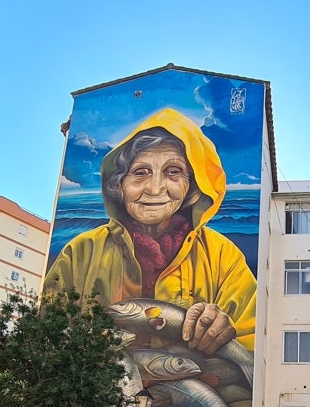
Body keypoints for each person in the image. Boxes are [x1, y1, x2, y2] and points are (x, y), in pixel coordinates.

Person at [43, 107, 257, 354]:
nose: (155, 189)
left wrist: (222, 332)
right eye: (140, 173)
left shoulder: (223, 256)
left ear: (193, 186)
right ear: (118, 184)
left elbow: (254, 347)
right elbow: (46, 336)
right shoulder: (80, 252)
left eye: (173, 172)